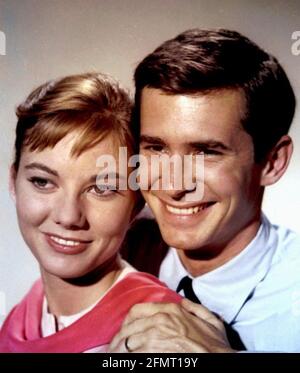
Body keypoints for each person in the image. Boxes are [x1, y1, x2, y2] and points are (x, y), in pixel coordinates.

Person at [110, 29, 300, 352]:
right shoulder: (119, 250)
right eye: (156, 148)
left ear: (272, 162)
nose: (174, 184)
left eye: (206, 152)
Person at [0, 72, 181, 353]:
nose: (69, 216)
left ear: (136, 205)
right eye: (43, 182)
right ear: (13, 183)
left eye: (102, 189)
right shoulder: (18, 321)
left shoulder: (163, 333)